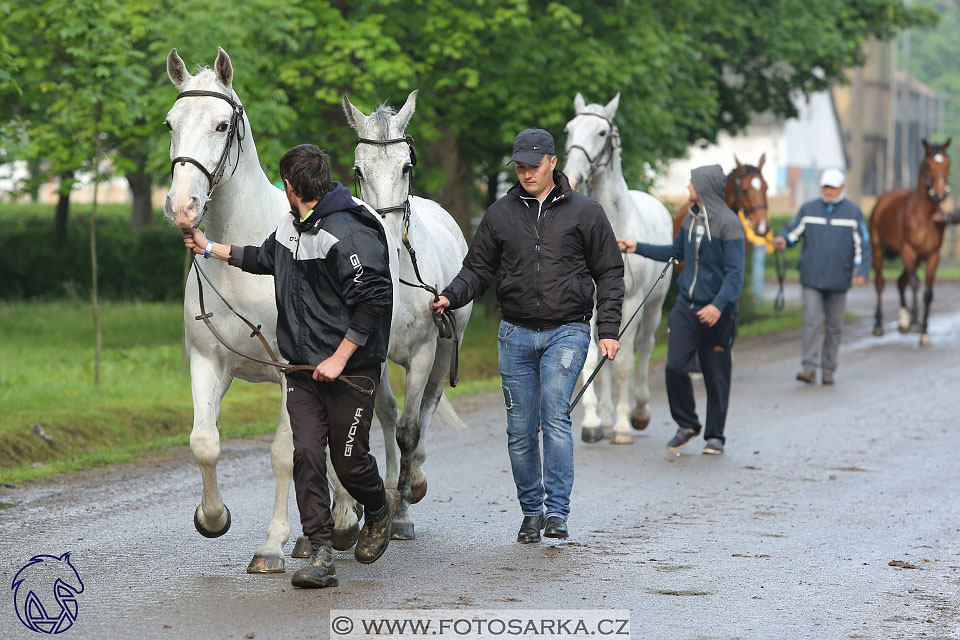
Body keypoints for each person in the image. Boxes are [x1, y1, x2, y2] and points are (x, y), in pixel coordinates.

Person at [181, 144, 398, 589]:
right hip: (301, 368)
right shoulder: (292, 225)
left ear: (289, 186)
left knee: (350, 461)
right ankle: (320, 552)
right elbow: (265, 258)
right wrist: (209, 248)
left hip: (351, 371)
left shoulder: (350, 233)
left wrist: (339, 359)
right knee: (306, 458)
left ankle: (379, 508)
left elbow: (375, 299)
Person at [430, 128, 624, 543]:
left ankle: (557, 512)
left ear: (553, 162)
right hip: (515, 333)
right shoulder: (500, 214)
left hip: (567, 332)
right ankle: (531, 512)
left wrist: (607, 329)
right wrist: (451, 295)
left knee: (554, 417)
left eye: (533, 166)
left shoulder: (586, 212)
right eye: (519, 167)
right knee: (519, 430)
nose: (526, 174)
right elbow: (477, 269)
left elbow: (609, 271)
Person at [618, 165, 744, 455]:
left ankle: (715, 436)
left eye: (692, 181)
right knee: (675, 367)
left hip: (719, 312)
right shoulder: (691, 218)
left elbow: (735, 274)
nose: (688, 185)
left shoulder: (730, 224)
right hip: (687, 306)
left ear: (704, 187)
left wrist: (717, 306)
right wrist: (635, 247)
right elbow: (674, 253)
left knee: (716, 376)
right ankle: (687, 423)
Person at [772, 168, 870, 385]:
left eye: (833, 187)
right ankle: (809, 367)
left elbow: (863, 244)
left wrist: (862, 271)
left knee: (835, 327)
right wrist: (782, 240)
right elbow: (793, 232)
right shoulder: (808, 210)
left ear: (841, 188)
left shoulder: (853, 213)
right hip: (812, 278)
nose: (830, 191)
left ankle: (828, 370)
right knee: (811, 322)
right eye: (826, 187)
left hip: (839, 279)